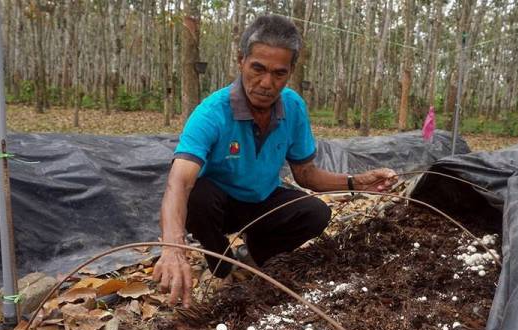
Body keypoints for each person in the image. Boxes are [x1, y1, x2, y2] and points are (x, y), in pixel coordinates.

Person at [153, 15, 397, 307]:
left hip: (261, 200)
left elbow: (306, 174)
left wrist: (356, 182)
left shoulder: (293, 107)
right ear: (241, 60)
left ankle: (254, 258)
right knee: (198, 196)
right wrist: (173, 247)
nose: (266, 83)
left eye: (279, 73)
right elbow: (179, 182)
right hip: (219, 207)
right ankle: (222, 263)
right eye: (258, 68)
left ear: (291, 71)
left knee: (316, 213)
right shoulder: (211, 113)